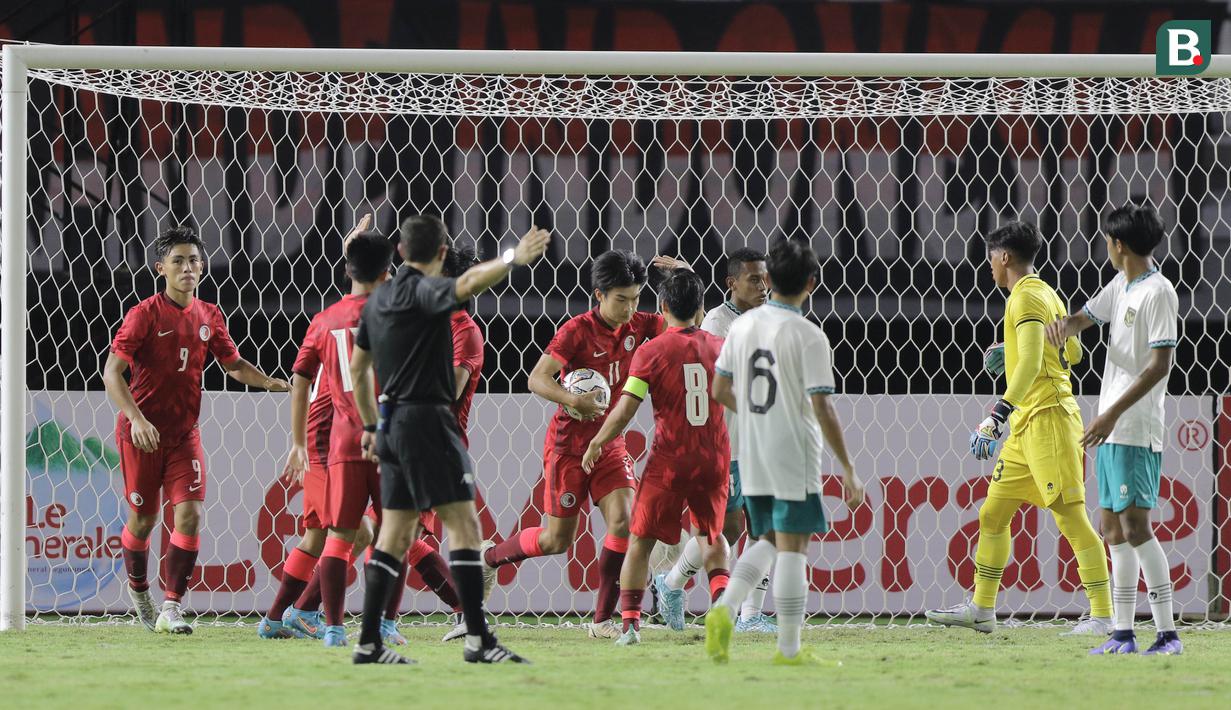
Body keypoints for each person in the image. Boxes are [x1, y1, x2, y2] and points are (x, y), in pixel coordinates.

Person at [349, 215, 550, 665]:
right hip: (430, 422)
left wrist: (368, 424)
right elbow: (470, 284)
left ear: (400, 253)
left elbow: (357, 368)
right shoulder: (430, 291)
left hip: (391, 422)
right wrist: (512, 258)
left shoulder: (378, 301)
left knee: (393, 533)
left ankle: (368, 643)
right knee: (465, 526)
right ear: (441, 255)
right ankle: (478, 639)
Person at [478, 250, 688, 639]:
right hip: (568, 447)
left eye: (635, 299)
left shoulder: (642, 326)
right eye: (620, 299)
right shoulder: (576, 331)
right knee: (555, 540)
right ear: (599, 295)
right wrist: (572, 400)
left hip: (609, 445)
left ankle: (602, 621)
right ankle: (489, 558)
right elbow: (537, 379)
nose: (629, 309)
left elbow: (690, 326)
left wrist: (686, 279)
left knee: (625, 522)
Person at [926, 220, 1113, 636]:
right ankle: (982, 608)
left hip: (1048, 420)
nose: (989, 266)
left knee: (1070, 518)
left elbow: (1031, 363)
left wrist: (996, 416)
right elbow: (1075, 352)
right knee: (993, 513)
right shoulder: (1047, 292)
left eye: (991, 258)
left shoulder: (1024, 298)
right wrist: (1010, 348)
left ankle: (1103, 615)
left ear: (1004, 257)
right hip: (1030, 425)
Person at [103, 226, 289, 635]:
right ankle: (139, 592)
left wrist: (269, 382)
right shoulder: (144, 315)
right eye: (178, 261)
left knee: (190, 513)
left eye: (193, 260)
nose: (188, 268)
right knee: (144, 520)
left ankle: (172, 607)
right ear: (161, 269)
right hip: (141, 434)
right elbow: (112, 372)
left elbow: (233, 364)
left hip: (184, 435)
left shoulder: (209, 315)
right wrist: (136, 419)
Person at [703, 239, 864, 665]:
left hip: (752, 451)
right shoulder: (808, 335)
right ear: (811, 283)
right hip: (793, 449)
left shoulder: (741, 327)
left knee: (768, 538)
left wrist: (757, 415)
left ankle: (723, 608)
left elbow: (719, 389)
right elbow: (822, 406)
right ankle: (789, 650)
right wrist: (847, 468)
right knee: (793, 547)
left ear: (769, 280)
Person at [1045, 204, 1182, 656]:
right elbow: (1084, 317)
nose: (1106, 246)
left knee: (1136, 525)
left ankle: (1167, 634)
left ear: (1119, 245)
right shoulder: (1122, 284)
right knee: (1112, 527)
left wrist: (1109, 414)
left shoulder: (1158, 292)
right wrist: (1054, 329)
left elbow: (1159, 366)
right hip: (1110, 426)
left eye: (1107, 240)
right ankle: (1122, 632)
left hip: (1134, 425)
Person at [582, 271, 731, 646]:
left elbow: (625, 410)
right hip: (713, 457)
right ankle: (720, 611)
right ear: (700, 309)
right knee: (711, 536)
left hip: (669, 459)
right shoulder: (721, 346)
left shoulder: (650, 351)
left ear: (662, 308)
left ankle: (630, 626)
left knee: (640, 540)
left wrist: (599, 440)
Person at [656, 247, 774, 633]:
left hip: (763, 442)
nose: (763, 286)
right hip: (730, 444)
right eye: (754, 279)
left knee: (763, 528)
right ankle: (671, 583)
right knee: (727, 532)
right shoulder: (718, 323)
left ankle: (752, 615)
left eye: (765, 278)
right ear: (732, 283)